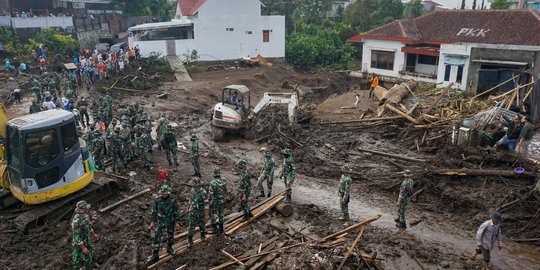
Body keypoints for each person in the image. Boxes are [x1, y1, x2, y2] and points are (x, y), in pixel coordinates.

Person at [146, 185, 181, 265]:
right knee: (156, 237)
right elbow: (154, 211)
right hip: (161, 221)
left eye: (165, 194)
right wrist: (153, 222)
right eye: (163, 193)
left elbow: (176, 211)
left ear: (168, 193)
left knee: (170, 235)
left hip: (170, 221)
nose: (164, 195)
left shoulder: (173, 200)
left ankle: (169, 248)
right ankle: (155, 255)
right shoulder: (157, 200)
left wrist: (176, 222)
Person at [71, 200, 100, 270]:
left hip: (86, 240)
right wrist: (83, 247)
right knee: (77, 260)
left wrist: (94, 234)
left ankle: (88, 267)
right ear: (83, 210)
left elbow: (88, 227)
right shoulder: (76, 222)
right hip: (79, 244)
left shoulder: (85, 216)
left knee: (89, 256)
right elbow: (76, 237)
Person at [187, 177, 209, 248]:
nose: (194, 186)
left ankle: (203, 236)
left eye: (196, 185)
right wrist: (188, 208)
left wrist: (206, 215)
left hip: (200, 212)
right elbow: (190, 200)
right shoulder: (192, 190)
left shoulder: (203, 193)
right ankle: (190, 240)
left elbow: (206, 205)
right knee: (191, 226)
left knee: (202, 225)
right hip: (192, 212)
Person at [208, 168, 227, 235]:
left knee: (212, 214)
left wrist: (210, 202)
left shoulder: (213, 182)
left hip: (215, 201)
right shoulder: (224, 181)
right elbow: (225, 190)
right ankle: (221, 228)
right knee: (221, 213)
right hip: (222, 200)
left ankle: (215, 229)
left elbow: (211, 194)